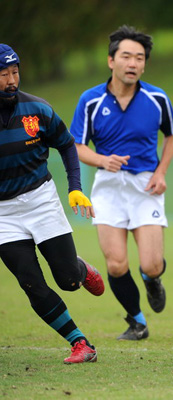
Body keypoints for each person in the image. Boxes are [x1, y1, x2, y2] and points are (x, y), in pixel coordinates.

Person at [70, 26, 173, 340]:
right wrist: (102, 160)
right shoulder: (90, 100)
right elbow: (77, 146)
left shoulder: (157, 98)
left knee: (152, 264)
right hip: (108, 186)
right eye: (126, 56)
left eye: (139, 58)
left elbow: (172, 135)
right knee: (116, 264)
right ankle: (137, 322)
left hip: (146, 186)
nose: (133, 63)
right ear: (111, 60)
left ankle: (152, 279)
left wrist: (161, 172)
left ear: (144, 65)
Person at [0, 44, 104, 364]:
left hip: (40, 201)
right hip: (3, 215)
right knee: (30, 282)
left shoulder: (38, 109)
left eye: (15, 72)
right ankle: (80, 343)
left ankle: (79, 268)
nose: (11, 80)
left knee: (68, 281)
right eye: (3, 74)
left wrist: (75, 188)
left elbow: (67, 145)